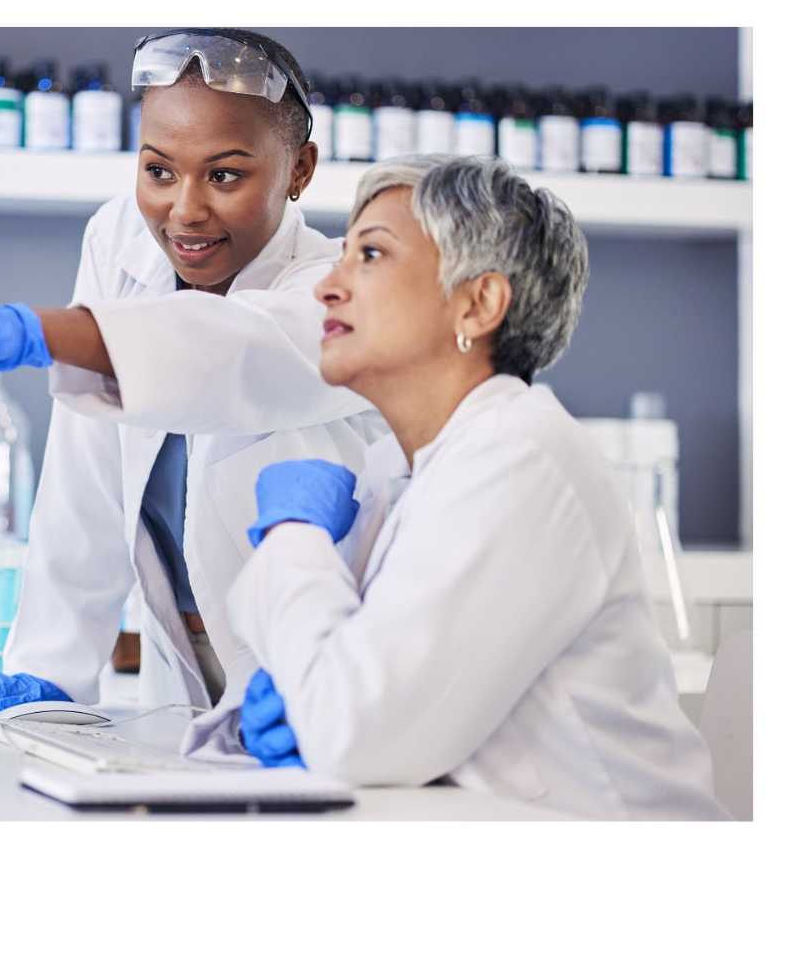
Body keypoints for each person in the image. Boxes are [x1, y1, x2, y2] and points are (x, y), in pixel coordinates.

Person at [0, 28, 383, 716]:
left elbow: (231, 352)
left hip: (315, 667)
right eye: (158, 169)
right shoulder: (121, 243)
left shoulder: (338, 289)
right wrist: (50, 669)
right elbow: (84, 472)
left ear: (299, 170)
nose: (185, 210)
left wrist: (35, 333)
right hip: (179, 672)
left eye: (225, 174)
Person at [205, 153, 729, 820]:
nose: (327, 289)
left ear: (478, 303)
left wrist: (292, 534)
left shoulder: (521, 457)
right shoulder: (398, 472)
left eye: (370, 255)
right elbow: (338, 691)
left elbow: (354, 731)